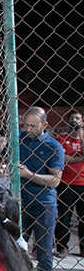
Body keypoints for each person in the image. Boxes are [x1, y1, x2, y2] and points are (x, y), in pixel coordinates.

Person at [19, 106, 64, 271]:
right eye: (26, 125)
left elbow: (55, 180)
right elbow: (2, 162)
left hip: (44, 204)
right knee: (16, 248)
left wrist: (28, 174)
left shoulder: (54, 146)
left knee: (44, 251)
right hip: (20, 202)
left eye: (33, 126)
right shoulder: (19, 140)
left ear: (45, 125)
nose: (29, 129)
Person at [55, 109, 83, 258]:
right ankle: (62, 247)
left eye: (77, 118)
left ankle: (83, 249)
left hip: (83, 183)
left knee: (82, 218)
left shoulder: (83, 138)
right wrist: (80, 158)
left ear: (82, 122)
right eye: (72, 118)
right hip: (66, 183)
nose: (74, 121)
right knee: (64, 217)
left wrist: (81, 135)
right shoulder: (62, 138)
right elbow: (63, 158)